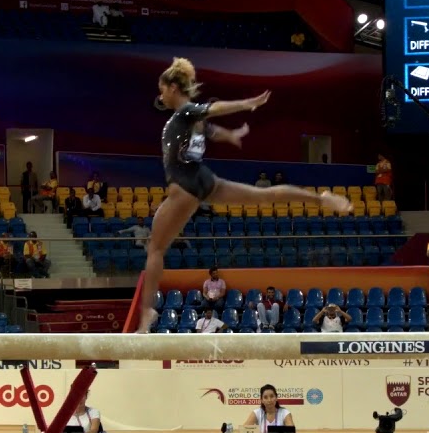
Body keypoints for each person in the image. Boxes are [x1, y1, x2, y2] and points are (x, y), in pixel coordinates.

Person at [136, 57, 351, 332]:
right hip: (204, 181)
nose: (160, 94)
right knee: (264, 197)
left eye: (162, 88)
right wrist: (233, 134)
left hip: (185, 186)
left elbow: (212, 110)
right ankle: (320, 199)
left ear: (174, 87)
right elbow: (212, 130)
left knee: (155, 249)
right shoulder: (188, 121)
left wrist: (245, 104)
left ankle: (145, 313)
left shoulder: (184, 112)